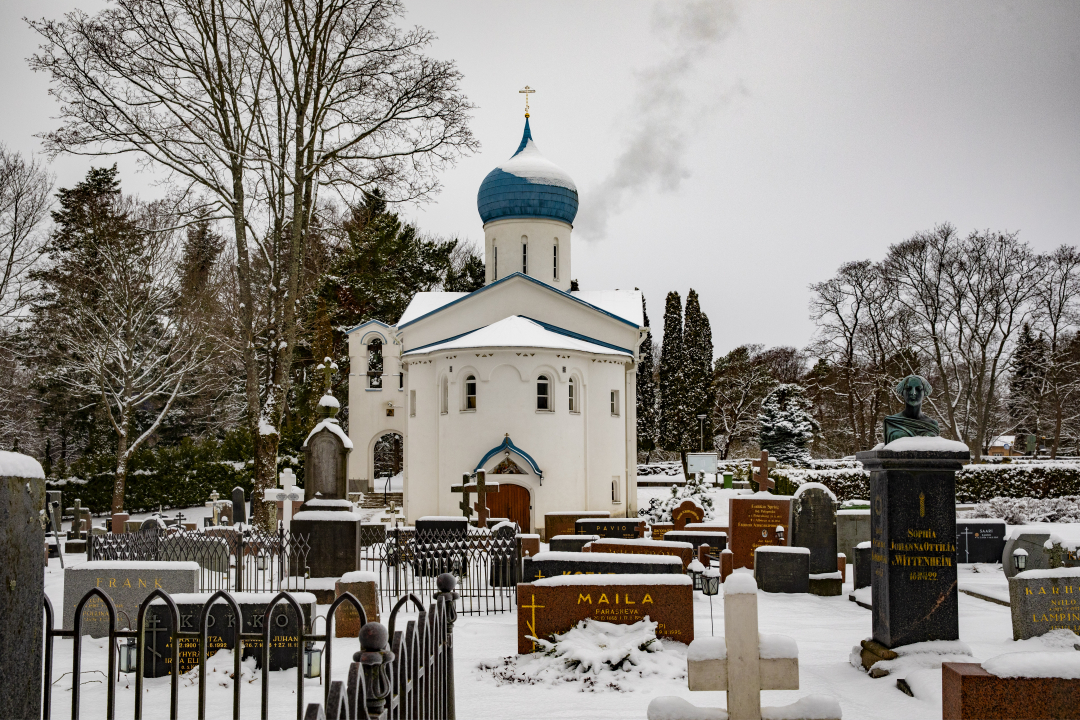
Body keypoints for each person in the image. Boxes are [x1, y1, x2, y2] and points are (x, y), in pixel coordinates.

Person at [883, 375, 939, 443]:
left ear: (924, 392)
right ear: (902, 392)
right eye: (908, 388)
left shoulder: (932, 424)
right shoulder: (891, 421)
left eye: (918, 389)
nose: (913, 393)